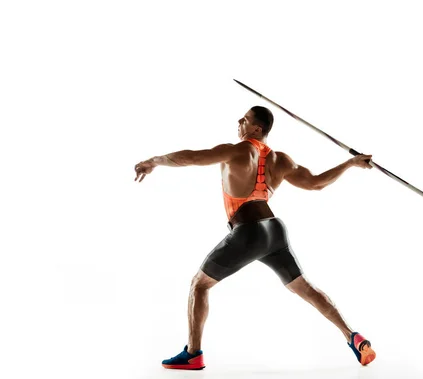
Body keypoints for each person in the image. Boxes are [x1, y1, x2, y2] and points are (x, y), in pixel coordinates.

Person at [134, 106, 376, 370]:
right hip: (274, 230)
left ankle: (193, 354)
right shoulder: (282, 160)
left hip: (248, 231)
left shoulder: (237, 150)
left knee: (199, 285)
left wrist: (153, 161)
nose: (239, 121)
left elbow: (191, 157)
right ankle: (351, 335)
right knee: (304, 288)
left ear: (257, 128)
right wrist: (350, 163)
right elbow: (315, 183)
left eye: (245, 119)